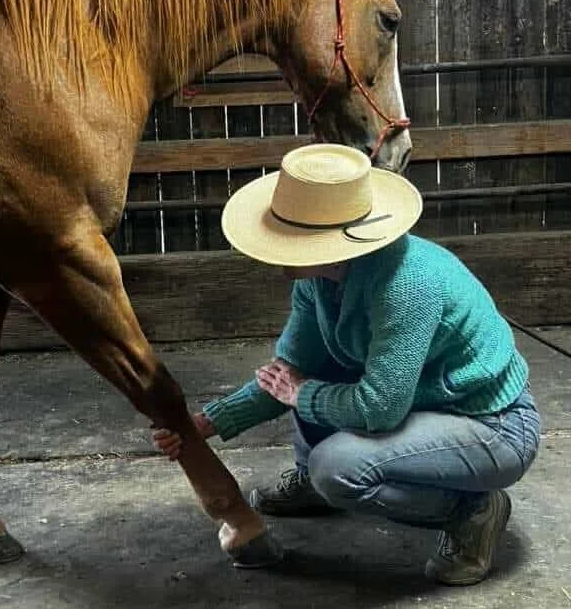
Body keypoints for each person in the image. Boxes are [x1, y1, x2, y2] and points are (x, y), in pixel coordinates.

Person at [153, 144, 540, 585]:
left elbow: (379, 409)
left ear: (327, 242)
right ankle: (313, 485)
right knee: (313, 377)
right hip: (421, 400)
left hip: (491, 424)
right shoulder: (319, 279)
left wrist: (302, 393)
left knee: (337, 468)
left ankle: (473, 511)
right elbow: (287, 372)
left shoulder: (405, 285)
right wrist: (206, 423)